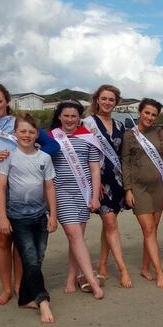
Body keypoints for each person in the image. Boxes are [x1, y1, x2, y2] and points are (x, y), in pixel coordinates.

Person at [0, 83, 59, 305]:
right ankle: (6, 287)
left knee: (21, 239)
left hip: (24, 191)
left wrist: (27, 157)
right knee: (2, 239)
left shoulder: (19, 123)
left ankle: (20, 285)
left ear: (7, 101)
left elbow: (53, 147)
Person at [0, 114, 58, 323]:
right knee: (30, 259)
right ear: (15, 133)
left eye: (31, 132)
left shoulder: (44, 158)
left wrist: (53, 215)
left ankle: (24, 299)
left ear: (37, 135)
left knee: (37, 259)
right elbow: (1, 187)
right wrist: (2, 217)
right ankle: (43, 301)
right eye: (22, 131)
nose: (27, 135)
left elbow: (49, 187)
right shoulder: (8, 157)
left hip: (40, 216)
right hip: (18, 218)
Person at [48, 101, 104, 299]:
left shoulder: (88, 138)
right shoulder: (51, 138)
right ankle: (92, 280)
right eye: (66, 116)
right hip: (61, 193)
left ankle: (71, 277)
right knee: (75, 235)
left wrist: (95, 196)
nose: (70, 120)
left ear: (79, 117)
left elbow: (95, 169)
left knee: (76, 238)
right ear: (59, 116)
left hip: (84, 193)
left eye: (73, 116)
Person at [122, 98, 163, 289]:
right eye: (147, 113)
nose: (150, 117)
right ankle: (159, 272)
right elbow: (125, 163)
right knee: (149, 230)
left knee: (151, 231)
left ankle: (145, 267)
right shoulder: (130, 135)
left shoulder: (160, 134)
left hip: (159, 188)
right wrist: (127, 189)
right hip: (139, 189)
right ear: (140, 112)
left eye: (153, 114)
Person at [84, 85, 131, 288]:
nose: (107, 103)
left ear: (116, 102)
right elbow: (82, 154)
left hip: (117, 181)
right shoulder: (87, 124)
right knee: (111, 224)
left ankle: (102, 263)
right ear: (97, 100)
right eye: (104, 99)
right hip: (99, 182)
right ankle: (123, 269)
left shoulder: (120, 126)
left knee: (108, 225)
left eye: (111, 99)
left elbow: (122, 155)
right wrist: (93, 183)